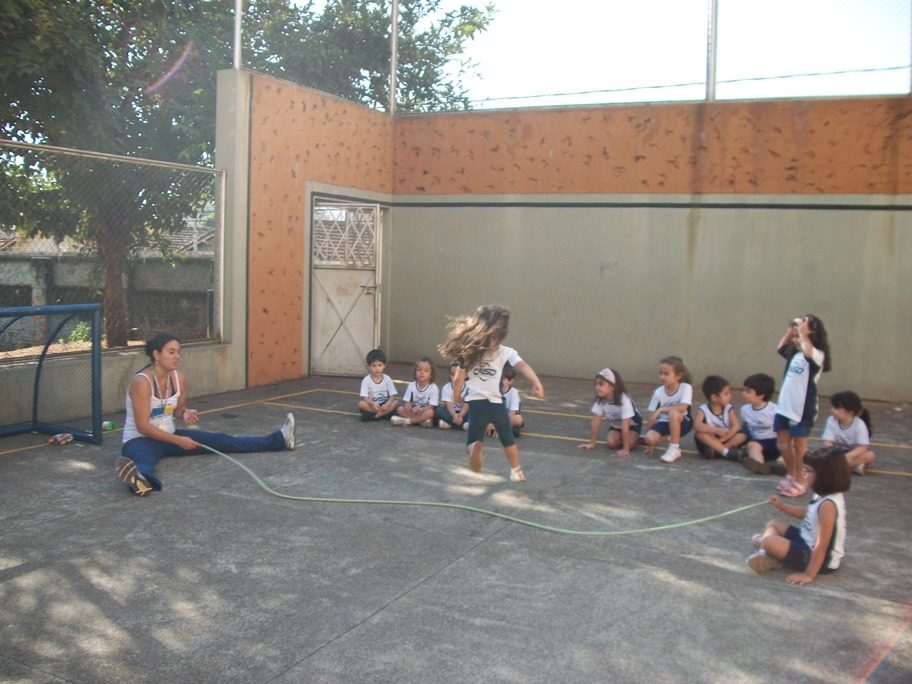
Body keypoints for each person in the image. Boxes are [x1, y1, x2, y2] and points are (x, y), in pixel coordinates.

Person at [115, 332, 295, 497]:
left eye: (179, 352)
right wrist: (179, 441)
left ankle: (280, 439)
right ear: (156, 355)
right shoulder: (142, 382)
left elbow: (177, 409)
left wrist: (184, 413)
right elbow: (143, 426)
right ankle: (140, 482)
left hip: (169, 436)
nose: (177, 356)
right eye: (171, 352)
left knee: (222, 440)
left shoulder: (179, 378)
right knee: (144, 461)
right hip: (139, 439)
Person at [438, 304, 544, 482]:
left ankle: (474, 449)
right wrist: (536, 382)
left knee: (474, 439)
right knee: (507, 438)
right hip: (496, 404)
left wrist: (456, 397)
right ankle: (516, 470)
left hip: (476, 405)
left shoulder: (469, 352)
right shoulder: (506, 352)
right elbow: (522, 365)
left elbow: (458, 379)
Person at [747, 446, 849, 585]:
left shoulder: (828, 505)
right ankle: (766, 552)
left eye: (809, 470)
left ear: (825, 475)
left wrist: (809, 575)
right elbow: (808, 513)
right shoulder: (822, 494)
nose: (805, 473)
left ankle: (766, 551)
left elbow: (822, 544)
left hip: (819, 558)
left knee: (769, 541)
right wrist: (782, 506)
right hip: (805, 539)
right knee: (774, 523)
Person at [774, 314, 832, 497]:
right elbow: (781, 347)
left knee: (799, 446)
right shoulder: (795, 354)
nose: (797, 340)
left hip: (802, 408)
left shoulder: (817, 356)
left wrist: (804, 333)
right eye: (797, 336)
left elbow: (809, 351)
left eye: (801, 335)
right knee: (783, 443)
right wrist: (791, 332)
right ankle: (792, 474)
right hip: (785, 406)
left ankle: (800, 478)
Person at [578, 367, 642, 458]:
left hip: (632, 425)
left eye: (601, 384)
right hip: (616, 425)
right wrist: (592, 443)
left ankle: (638, 438)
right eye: (596, 384)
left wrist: (625, 449)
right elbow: (595, 422)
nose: (597, 387)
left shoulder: (624, 400)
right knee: (611, 443)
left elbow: (625, 425)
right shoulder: (601, 400)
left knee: (630, 444)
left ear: (612, 386)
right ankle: (624, 438)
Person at [643, 356, 693, 464]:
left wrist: (661, 409)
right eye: (660, 373)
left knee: (673, 413)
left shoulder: (686, 387)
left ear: (678, 376)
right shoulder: (658, 392)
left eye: (666, 374)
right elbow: (651, 418)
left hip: (683, 422)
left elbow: (683, 407)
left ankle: (674, 448)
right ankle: (670, 436)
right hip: (664, 422)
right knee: (649, 438)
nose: (662, 376)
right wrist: (650, 443)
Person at [739, 373, 787, 476]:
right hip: (759, 443)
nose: (744, 393)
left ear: (761, 395)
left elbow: (783, 430)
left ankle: (779, 463)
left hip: (776, 443)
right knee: (751, 446)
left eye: (748, 392)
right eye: (744, 390)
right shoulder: (744, 410)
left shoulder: (775, 410)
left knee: (791, 445)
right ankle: (760, 465)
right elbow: (746, 428)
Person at [693, 375, 746, 461]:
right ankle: (727, 453)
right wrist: (716, 430)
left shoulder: (728, 408)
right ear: (714, 397)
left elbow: (736, 426)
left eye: (729, 393)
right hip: (711, 439)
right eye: (726, 394)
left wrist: (721, 441)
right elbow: (697, 425)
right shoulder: (704, 409)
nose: (730, 396)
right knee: (699, 434)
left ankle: (719, 450)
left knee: (742, 435)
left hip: (727, 438)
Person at [822, 390, 876, 475]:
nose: (832, 410)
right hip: (835, 453)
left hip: (852, 454)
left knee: (870, 455)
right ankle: (852, 467)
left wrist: (847, 456)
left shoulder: (859, 425)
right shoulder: (831, 421)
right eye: (833, 407)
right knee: (819, 456)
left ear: (850, 412)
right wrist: (833, 454)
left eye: (837, 408)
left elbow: (863, 447)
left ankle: (841, 467)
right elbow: (827, 442)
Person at [391, 357, 439, 426]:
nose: (422, 373)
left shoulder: (433, 387)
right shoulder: (412, 385)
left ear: (431, 375)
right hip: (413, 411)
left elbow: (431, 406)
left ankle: (408, 421)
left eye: (426, 371)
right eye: (419, 370)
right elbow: (407, 402)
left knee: (430, 412)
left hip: (424, 411)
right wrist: (409, 408)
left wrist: (421, 410)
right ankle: (420, 421)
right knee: (400, 409)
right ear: (415, 372)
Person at [358, 348, 400, 421]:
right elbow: (364, 397)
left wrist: (387, 405)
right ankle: (384, 414)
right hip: (373, 405)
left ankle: (377, 415)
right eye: (374, 366)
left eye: (379, 365)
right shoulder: (366, 380)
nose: (377, 368)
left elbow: (393, 396)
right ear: (369, 367)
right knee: (361, 404)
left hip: (385, 404)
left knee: (396, 402)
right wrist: (372, 404)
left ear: (384, 365)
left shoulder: (387, 379)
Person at [486, 363, 524, 439]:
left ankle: (501, 430)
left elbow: (512, 412)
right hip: (495, 418)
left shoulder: (513, 392)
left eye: (503, 379)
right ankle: (506, 430)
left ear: (510, 381)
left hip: (509, 418)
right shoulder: (493, 390)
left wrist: (499, 426)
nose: (499, 381)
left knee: (518, 419)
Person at [437, 361, 470, 430]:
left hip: (464, 414)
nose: (455, 377)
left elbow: (466, 406)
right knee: (438, 409)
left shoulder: (469, 387)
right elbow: (448, 405)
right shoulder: (446, 388)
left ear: (466, 375)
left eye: (459, 374)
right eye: (453, 374)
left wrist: (460, 416)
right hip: (451, 413)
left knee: (474, 412)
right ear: (449, 375)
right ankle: (463, 425)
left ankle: (450, 424)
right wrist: (455, 416)